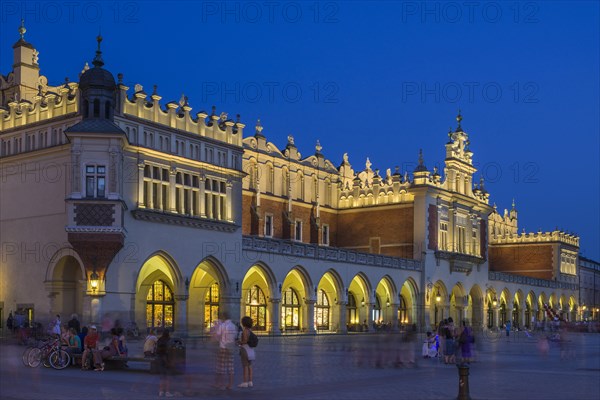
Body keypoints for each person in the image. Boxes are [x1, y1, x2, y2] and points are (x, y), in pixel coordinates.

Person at [213, 310, 237, 390]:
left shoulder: (223, 325)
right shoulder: (233, 326)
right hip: (231, 348)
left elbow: (217, 336)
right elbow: (235, 337)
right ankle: (230, 384)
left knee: (221, 367)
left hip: (223, 347)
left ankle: (221, 384)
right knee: (231, 367)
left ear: (223, 317)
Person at [237, 316, 256, 388]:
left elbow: (245, 341)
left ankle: (245, 382)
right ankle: (250, 381)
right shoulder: (250, 331)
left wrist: (239, 342)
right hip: (250, 349)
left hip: (245, 349)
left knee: (245, 366)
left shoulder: (245, 331)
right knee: (250, 366)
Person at [156, 329, 174, 397]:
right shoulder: (169, 340)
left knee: (162, 377)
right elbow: (169, 351)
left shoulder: (160, 339)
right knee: (168, 377)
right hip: (166, 359)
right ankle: (167, 392)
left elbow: (157, 350)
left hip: (160, 359)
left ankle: (160, 392)